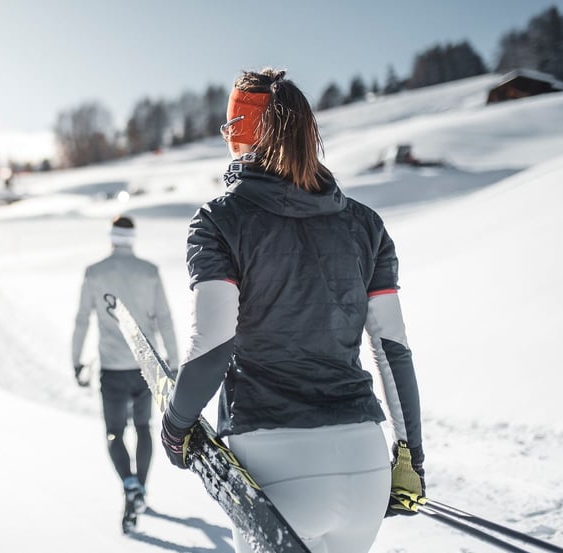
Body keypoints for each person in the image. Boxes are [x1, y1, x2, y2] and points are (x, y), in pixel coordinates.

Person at [159, 68, 424, 553]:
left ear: (239, 131)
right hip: (364, 466)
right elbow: (392, 350)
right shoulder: (366, 225)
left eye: (227, 128)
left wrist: (176, 426)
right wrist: (412, 458)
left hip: (274, 467)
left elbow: (215, 344)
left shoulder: (219, 220)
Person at [72, 215, 179, 514]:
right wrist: (174, 360)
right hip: (147, 368)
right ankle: (141, 488)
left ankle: (130, 485)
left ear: (111, 237)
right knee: (143, 427)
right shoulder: (150, 272)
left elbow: (82, 320)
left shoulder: (94, 273)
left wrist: (76, 361)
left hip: (112, 368)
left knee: (114, 432)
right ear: (132, 239)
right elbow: (165, 319)